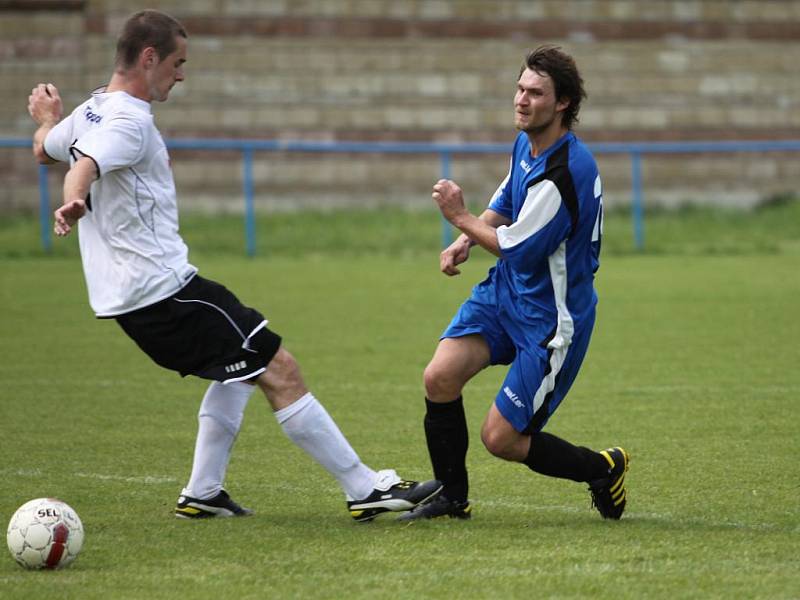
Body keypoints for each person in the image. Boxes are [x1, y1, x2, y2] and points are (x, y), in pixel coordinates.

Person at [27, 9, 440, 522]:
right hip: (164, 291)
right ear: (149, 57)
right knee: (279, 366)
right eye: (177, 62)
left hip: (131, 298)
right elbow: (82, 166)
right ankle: (364, 488)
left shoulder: (91, 110)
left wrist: (48, 119)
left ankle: (203, 492)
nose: (181, 74)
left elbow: (47, 151)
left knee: (237, 371)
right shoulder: (129, 120)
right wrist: (76, 201)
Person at [400, 45, 629, 522]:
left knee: (500, 439)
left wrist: (461, 218)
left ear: (562, 102)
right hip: (507, 292)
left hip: (551, 318)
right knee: (439, 376)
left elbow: (519, 246)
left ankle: (602, 469)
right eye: (520, 89)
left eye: (535, 93)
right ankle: (451, 497)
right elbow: (509, 197)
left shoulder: (565, 173)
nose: (521, 101)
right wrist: (471, 234)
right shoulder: (529, 142)